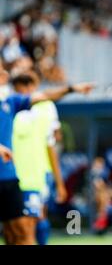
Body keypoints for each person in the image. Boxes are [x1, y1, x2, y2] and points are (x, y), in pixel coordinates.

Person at [0, 67, 93, 244]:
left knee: (20, 231)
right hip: (19, 175)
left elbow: (44, 96)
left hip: (13, 178)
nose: (4, 73)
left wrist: (71, 89)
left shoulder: (10, 103)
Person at [11, 71, 68, 245]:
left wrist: (59, 182)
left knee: (35, 217)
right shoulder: (12, 105)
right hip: (13, 173)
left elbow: (51, 143)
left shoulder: (45, 107)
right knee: (14, 224)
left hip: (39, 173)